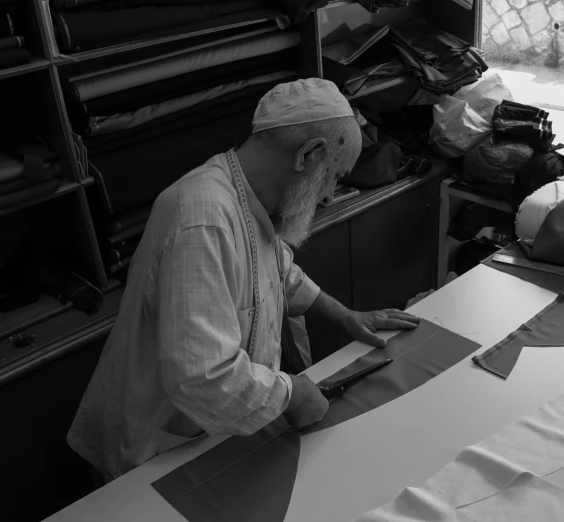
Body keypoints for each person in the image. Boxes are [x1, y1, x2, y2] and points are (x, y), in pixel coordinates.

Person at [67, 78, 421, 482]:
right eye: (334, 177)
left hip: (200, 434)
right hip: (154, 445)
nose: (327, 197)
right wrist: (291, 393)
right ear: (308, 154)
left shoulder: (248, 195)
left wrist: (345, 316)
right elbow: (204, 376)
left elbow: (277, 271)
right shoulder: (202, 221)